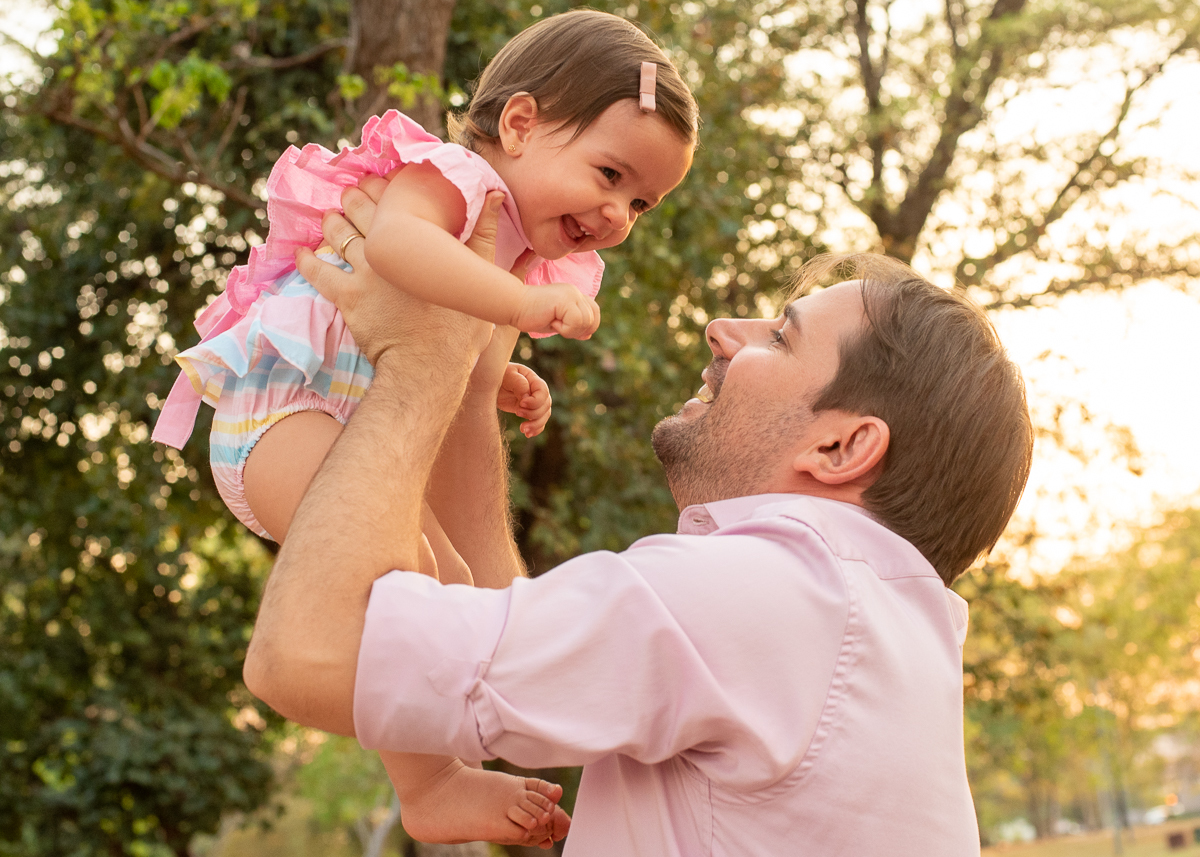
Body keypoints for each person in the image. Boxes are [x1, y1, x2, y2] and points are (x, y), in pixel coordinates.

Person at [243, 185, 1034, 855]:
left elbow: (309, 656)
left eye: (780, 336)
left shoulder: (769, 593)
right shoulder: (866, 623)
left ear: (842, 446)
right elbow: (500, 639)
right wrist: (471, 390)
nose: (723, 330)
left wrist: (417, 363)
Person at [150, 9, 697, 849]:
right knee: (402, 577)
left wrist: (494, 375)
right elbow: (398, 250)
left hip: (343, 421)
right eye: (610, 173)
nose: (618, 213)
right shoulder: (451, 176)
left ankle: (435, 770)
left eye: (641, 202)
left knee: (440, 585)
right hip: (282, 411)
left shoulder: (520, 249)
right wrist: (516, 308)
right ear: (520, 123)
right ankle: (430, 782)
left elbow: (433, 335)